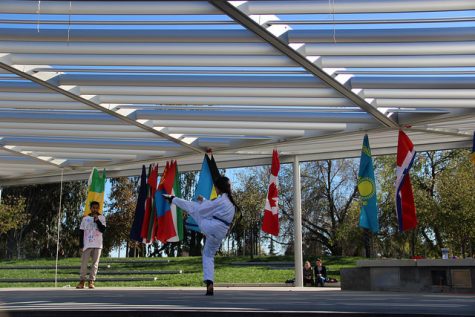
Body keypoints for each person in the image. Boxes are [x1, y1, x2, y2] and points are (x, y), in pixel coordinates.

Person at [163, 176, 237, 296]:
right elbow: (212, 207)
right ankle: (210, 282)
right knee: (208, 255)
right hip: (219, 233)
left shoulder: (221, 200)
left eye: (215, 187)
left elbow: (204, 210)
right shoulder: (230, 203)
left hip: (211, 226)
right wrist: (204, 201)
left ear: (219, 188)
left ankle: (173, 199)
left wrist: (201, 203)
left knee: (194, 208)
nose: (215, 189)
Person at [76, 201, 106, 289]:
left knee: (95, 264)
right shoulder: (85, 219)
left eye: (97, 208)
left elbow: (103, 230)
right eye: (93, 207)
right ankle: (82, 281)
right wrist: (81, 245)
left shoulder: (102, 218)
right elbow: (81, 232)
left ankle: (91, 281)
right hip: (87, 244)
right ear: (90, 208)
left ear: (98, 208)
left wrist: (97, 221)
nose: (95, 209)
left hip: (97, 244)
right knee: (84, 263)